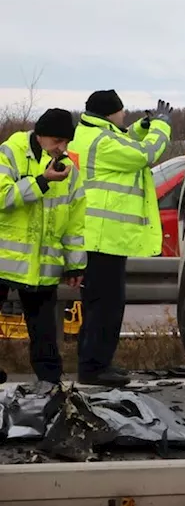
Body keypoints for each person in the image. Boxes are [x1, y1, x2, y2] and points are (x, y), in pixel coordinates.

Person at [67, 90, 171, 387]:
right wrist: (162, 126)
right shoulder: (103, 142)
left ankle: (93, 363)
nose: (125, 115)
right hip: (105, 237)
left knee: (97, 305)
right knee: (106, 307)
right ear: (110, 113)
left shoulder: (89, 134)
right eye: (122, 111)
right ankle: (95, 368)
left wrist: (143, 126)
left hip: (97, 236)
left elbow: (125, 140)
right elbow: (144, 155)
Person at [0, 108, 86, 385]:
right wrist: (41, 182)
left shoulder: (68, 169)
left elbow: (75, 220)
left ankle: (51, 385)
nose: (61, 148)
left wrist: (75, 262)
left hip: (43, 264)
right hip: (3, 257)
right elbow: (2, 197)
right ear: (39, 136)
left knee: (44, 330)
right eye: (57, 141)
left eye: (66, 142)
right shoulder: (10, 152)